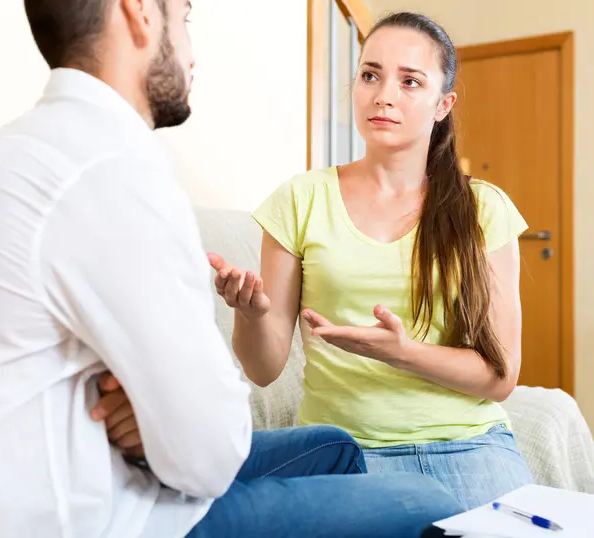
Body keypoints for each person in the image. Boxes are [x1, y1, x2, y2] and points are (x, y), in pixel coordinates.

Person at [0, 1, 463, 538]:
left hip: (95, 462)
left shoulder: (20, 147)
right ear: (140, 12)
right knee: (426, 499)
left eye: (409, 82)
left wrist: (154, 407)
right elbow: (211, 452)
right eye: (185, 19)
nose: (192, 51)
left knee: (333, 447)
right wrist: (165, 415)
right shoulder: (117, 174)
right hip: (109, 512)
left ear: (441, 103)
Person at [206, 11, 535, 511]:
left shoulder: (483, 208)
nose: (384, 94)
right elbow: (264, 368)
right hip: (342, 450)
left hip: (469, 444)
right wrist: (250, 315)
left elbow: (501, 376)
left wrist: (403, 352)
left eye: (410, 81)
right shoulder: (301, 199)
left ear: (442, 104)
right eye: (370, 75)